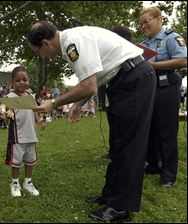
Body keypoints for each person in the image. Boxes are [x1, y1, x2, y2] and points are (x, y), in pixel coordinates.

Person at [27, 21, 156, 222]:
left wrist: (54, 103)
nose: (41, 56)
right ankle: (110, 195)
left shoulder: (73, 44)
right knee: (117, 143)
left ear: (45, 43)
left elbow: (88, 86)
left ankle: (120, 207)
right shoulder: (73, 40)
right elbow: (96, 78)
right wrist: (78, 104)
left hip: (133, 79)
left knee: (129, 145)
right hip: (123, 80)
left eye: (38, 51)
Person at [139, 7, 187, 187]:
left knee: (166, 131)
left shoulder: (171, 38)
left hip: (167, 87)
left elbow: (183, 60)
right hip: (149, 88)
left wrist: (153, 65)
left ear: (159, 19)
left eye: (147, 22)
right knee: (150, 129)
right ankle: (154, 163)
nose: (144, 26)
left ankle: (168, 174)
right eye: (141, 24)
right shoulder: (144, 43)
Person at [5, 66, 45, 197]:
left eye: (24, 79)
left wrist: (39, 121)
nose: (22, 82)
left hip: (31, 135)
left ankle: (28, 182)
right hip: (17, 136)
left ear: (28, 81)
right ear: (13, 82)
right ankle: (15, 183)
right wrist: (9, 112)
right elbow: (8, 110)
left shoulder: (30, 96)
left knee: (30, 160)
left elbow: (34, 111)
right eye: (18, 80)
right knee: (16, 161)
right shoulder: (10, 96)